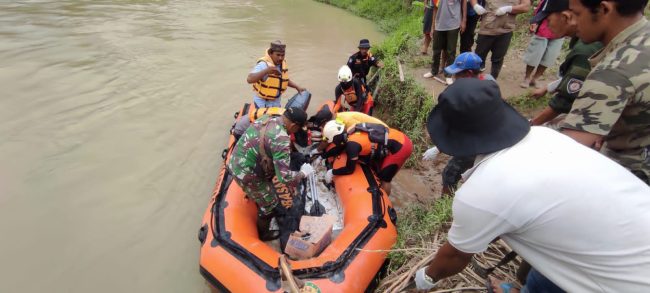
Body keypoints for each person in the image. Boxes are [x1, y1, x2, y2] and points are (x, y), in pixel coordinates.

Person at [414, 78, 650, 292]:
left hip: (628, 282)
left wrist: (427, 277)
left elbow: (454, 256)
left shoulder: (482, 192)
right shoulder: (545, 136)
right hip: (628, 225)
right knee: (547, 273)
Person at [560, 0, 650, 184]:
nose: (573, 22)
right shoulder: (644, 38)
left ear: (604, 9)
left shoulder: (613, 73)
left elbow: (563, 152)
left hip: (630, 176)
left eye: (577, 13)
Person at [227, 107, 314, 250]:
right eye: (297, 129)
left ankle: (256, 195)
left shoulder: (267, 119)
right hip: (247, 173)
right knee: (270, 204)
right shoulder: (281, 139)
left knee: (269, 185)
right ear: (293, 126)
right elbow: (284, 177)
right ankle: (264, 234)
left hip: (236, 160)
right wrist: (303, 173)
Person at [422, 52, 493, 195]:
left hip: (479, 140)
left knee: (449, 174)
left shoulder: (472, 99)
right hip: (491, 135)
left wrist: (438, 149)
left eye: (457, 74)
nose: (453, 78)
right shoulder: (488, 80)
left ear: (468, 73)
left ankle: (447, 206)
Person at [528, 0, 603, 127]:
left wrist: (532, 124)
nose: (547, 25)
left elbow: (564, 101)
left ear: (565, 17)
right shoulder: (587, 39)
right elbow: (576, 77)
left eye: (548, 20)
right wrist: (548, 87)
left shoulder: (584, 50)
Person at [321, 120, 413, 195]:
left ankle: (385, 201)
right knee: (379, 169)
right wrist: (323, 156)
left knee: (385, 178)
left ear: (336, 138)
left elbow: (349, 169)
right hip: (397, 137)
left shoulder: (352, 145)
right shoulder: (351, 130)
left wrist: (332, 172)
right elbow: (340, 148)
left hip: (402, 147)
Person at [470, 0, 531, 79]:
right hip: (487, 28)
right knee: (479, 57)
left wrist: (508, 8)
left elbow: (526, 7)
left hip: (506, 30)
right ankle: (474, 80)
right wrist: (475, 5)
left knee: (498, 58)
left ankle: (492, 81)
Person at [520, 0, 565, 88]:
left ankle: (535, 78)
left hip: (560, 30)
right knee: (535, 54)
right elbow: (543, 8)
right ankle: (527, 78)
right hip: (544, 27)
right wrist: (535, 21)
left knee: (550, 56)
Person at [247, 41, 305, 108]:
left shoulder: (282, 64)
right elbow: (249, 79)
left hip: (276, 102)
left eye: (282, 55)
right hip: (262, 103)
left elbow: (283, 80)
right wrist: (266, 71)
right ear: (271, 54)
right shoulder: (263, 64)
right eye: (278, 55)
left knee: (278, 117)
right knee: (265, 118)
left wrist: (297, 87)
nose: (280, 58)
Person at [422, 0, 467, 86]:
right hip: (439, 24)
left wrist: (464, 20)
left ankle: (449, 75)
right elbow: (435, 8)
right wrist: (433, 26)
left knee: (451, 51)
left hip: (453, 24)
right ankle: (433, 71)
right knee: (436, 50)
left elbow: (463, 2)